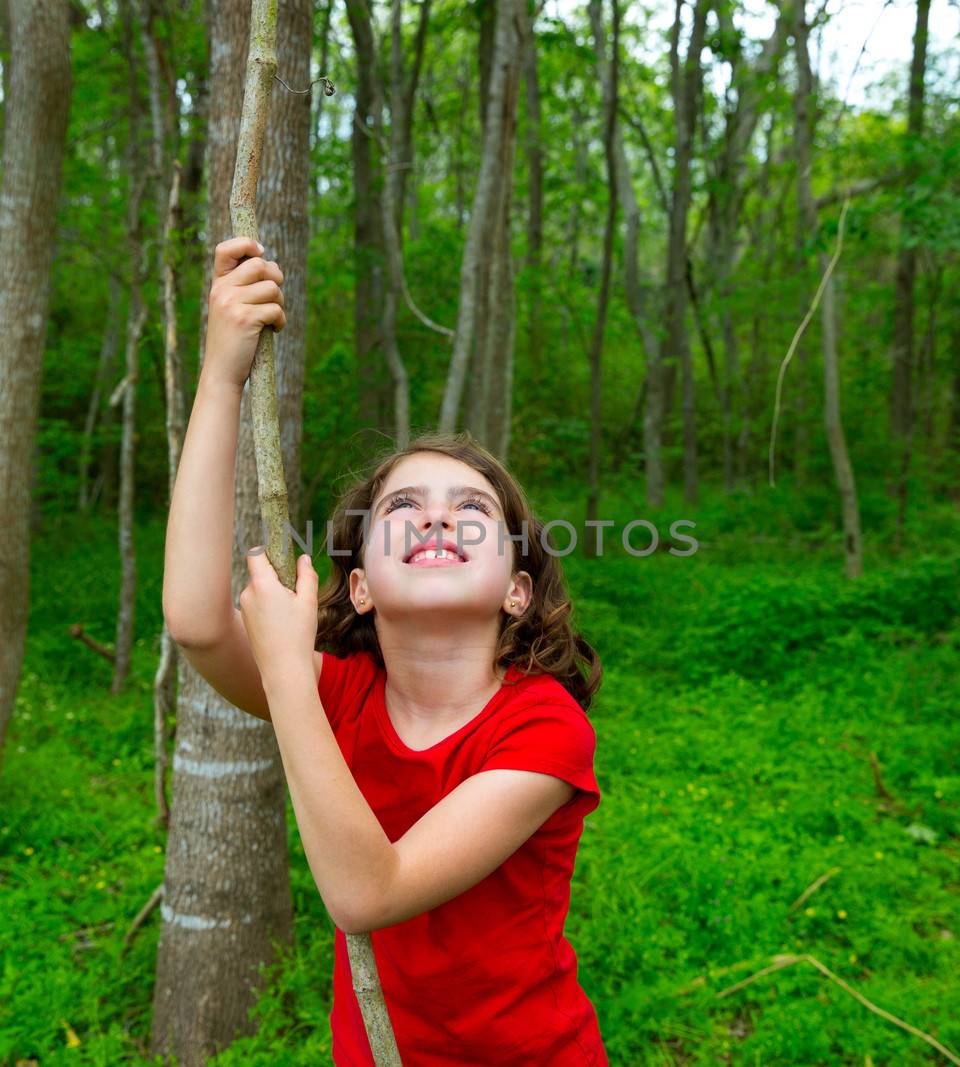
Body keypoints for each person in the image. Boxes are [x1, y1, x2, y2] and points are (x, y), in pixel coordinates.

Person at [164, 236, 608, 1066]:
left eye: (471, 508)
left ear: (518, 586)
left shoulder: (545, 729)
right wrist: (221, 378)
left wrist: (291, 676)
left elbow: (370, 892)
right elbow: (196, 621)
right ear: (360, 584)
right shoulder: (341, 693)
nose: (437, 517)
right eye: (403, 504)